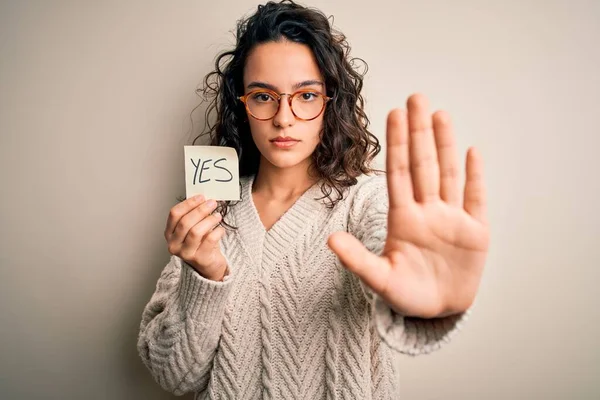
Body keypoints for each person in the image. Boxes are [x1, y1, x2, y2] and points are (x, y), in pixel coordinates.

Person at [137, 0, 490, 398]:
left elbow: (392, 258)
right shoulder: (207, 212)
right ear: (243, 106)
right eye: (263, 96)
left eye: (305, 95)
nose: (283, 118)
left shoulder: (368, 202)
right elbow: (174, 376)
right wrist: (205, 277)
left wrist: (424, 302)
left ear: (330, 103)